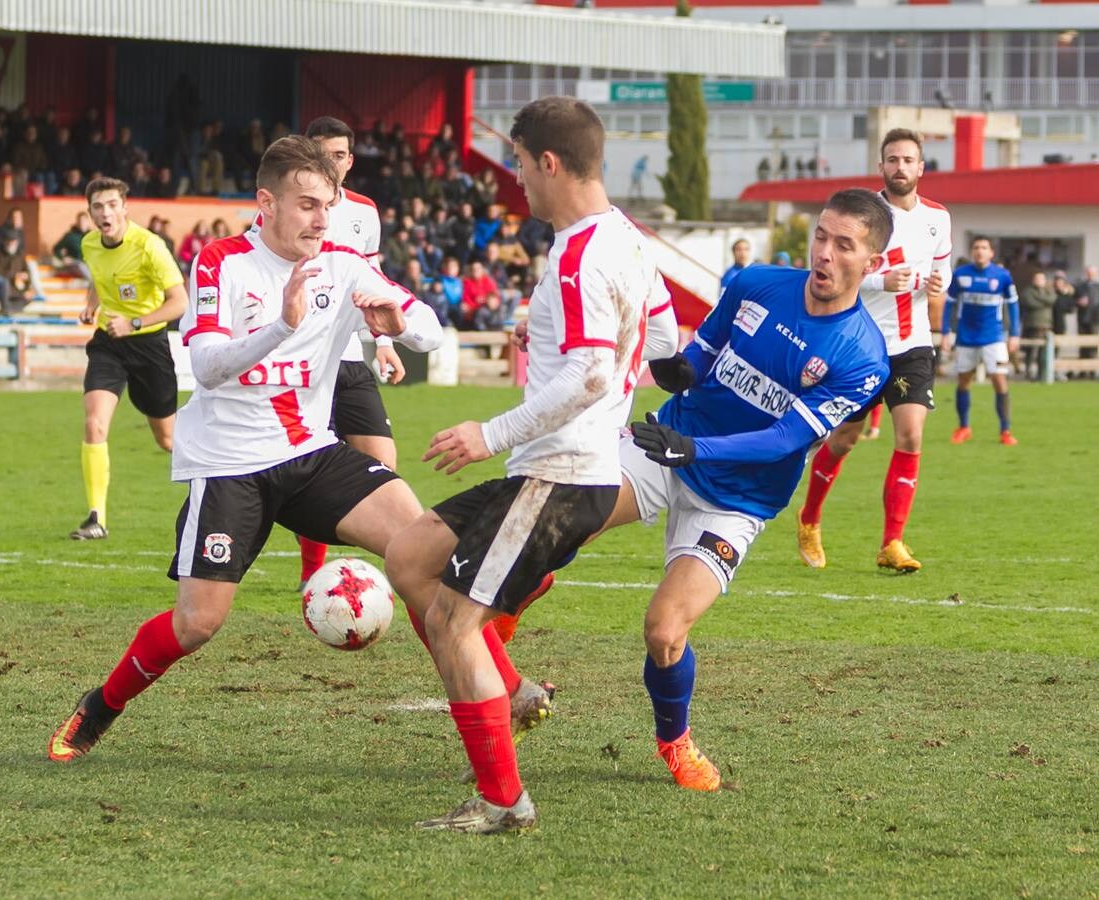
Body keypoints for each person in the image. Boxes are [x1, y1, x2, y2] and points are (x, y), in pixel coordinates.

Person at [46, 136, 443, 763]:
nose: (321, 219)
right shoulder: (221, 262)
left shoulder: (342, 261)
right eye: (308, 204)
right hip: (231, 466)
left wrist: (398, 320)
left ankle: (502, 690)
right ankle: (101, 705)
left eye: (329, 205)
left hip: (310, 451)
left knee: (422, 548)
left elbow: (432, 328)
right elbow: (205, 366)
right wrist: (281, 327)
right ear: (267, 202)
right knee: (196, 625)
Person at [383, 96, 680, 834]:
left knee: (454, 622)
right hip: (560, 467)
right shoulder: (630, 241)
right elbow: (666, 340)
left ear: (549, 162)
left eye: (517, 161)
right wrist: (549, 331)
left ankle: (502, 802)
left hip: (563, 472)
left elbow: (587, 375)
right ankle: (511, 692)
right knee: (411, 557)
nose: (515, 177)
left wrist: (490, 430)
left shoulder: (582, 251)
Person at [595, 189, 891, 794]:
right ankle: (500, 636)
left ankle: (674, 742)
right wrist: (680, 370)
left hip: (736, 500)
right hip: (667, 446)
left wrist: (694, 450)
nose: (825, 254)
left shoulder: (863, 359)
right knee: (569, 515)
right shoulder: (754, 282)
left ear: (873, 264)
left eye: (845, 245)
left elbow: (784, 438)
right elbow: (701, 357)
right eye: (821, 236)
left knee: (664, 630)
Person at [797, 128, 951, 573]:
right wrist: (880, 281)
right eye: (892, 160)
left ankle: (893, 543)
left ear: (921, 168)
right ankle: (809, 518)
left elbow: (942, 273)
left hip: (912, 344)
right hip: (862, 344)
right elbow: (829, 276)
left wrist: (941, 287)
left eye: (908, 160)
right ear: (881, 166)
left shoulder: (938, 218)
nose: (900, 167)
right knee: (844, 439)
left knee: (911, 435)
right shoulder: (863, 214)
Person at [271, 116, 412, 591]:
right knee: (305, 467)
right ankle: (314, 571)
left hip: (350, 355)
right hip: (305, 362)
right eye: (319, 152)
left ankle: (392, 562)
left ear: (350, 161)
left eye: (337, 155)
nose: (328, 162)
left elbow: (376, 284)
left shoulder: (364, 213)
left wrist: (386, 344)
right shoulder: (287, 210)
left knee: (382, 462)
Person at [70, 177, 189, 541]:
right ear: (89, 213)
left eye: (111, 205)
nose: (105, 213)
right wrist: (92, 305)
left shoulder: (150, 246)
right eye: (97, 207)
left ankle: (218, 485)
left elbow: (179, 302)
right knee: (94, 424)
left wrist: (135, 321)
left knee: (167, 439)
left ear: (125, 208)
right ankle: (96, 518)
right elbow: (101, 279)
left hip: (149, 345)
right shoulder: (90, 244)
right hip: (109, 344)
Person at [942, 235, 1020, 445]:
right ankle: (964, 427)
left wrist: (1014, 334)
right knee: (964, 381)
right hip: (966, 338)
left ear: (991, 253)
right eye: (976, 247)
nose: (979, 251)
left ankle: (1005, 431)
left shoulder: (1002, 276)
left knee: (999, 381)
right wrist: (946, 331)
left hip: (994, 338)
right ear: (972, 252)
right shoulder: (959, 275)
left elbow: (1013, 304)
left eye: (984, 248)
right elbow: (948, 303)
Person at [1019, 270, 1055, 379]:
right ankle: (1028, 372)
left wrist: (1040, 299)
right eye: (1037, 279)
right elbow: (1031, 303)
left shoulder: (1048, 291)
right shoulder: (1028, 291)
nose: (1039, 281)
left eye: (1041, 279)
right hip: (1032, 325)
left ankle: (1042, 373)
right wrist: (1045, 303)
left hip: (1046, 325)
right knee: (1030, 350)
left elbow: (1052, 299)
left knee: (1043, 352)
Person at [1073, 266, 1099, 367]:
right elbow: (1072, 302)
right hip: (1082, 319)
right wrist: (1078, 302)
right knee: (1082, 344)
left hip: (1095, 320)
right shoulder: (1080, 287)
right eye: (1089, 273)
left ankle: (1092, 369)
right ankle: (1082, 370)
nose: (1090, 275)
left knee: (1093, 345)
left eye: (1092, 273)